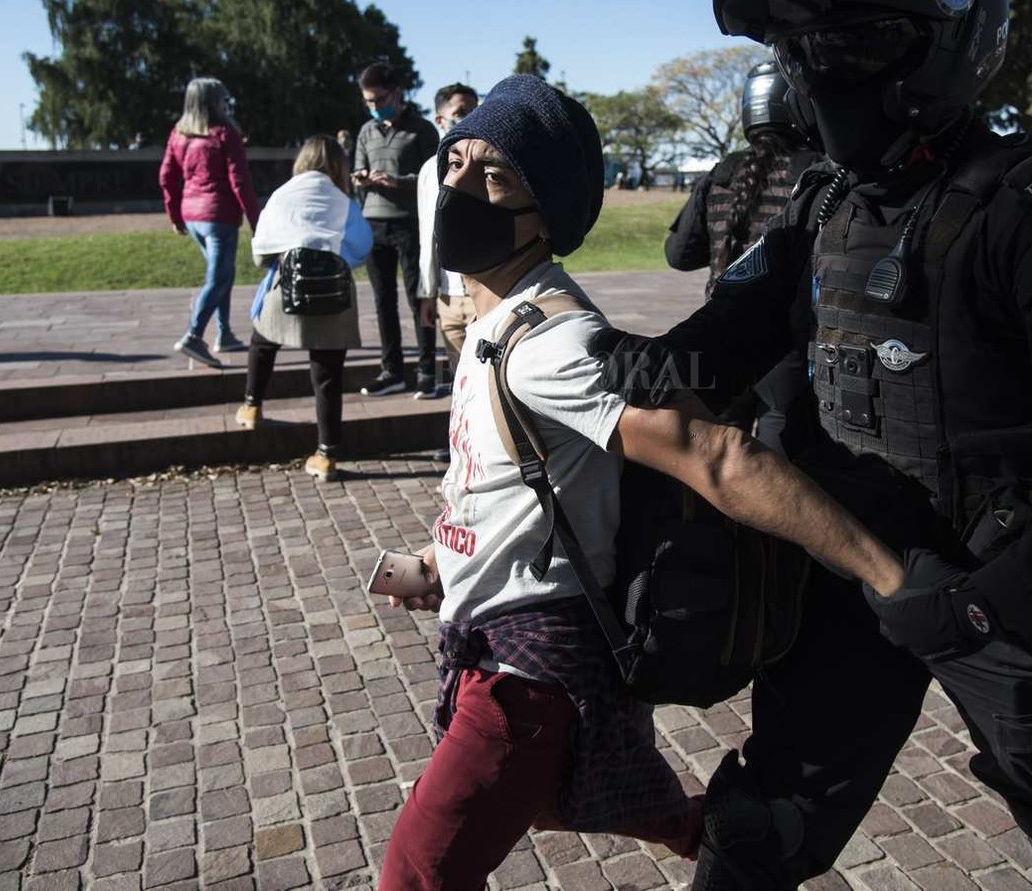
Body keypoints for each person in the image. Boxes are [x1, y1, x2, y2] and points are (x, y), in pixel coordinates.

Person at [598, 0, 1032, 890]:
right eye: (798, 50)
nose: (816, 72)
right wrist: (569, 348)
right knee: (761, 823)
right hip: (848, 569)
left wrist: (989, 605)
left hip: (1002, 587)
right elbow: (712, 342)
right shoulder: (823, 203)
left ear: (942, 41)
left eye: (848, 42)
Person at [377, 75, 904, 891]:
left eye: (495, 176)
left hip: (528, 674)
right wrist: (440, 558)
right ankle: (714, 832)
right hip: (489, 641)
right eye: (455, 164)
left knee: (416, 872)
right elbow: (502, 479)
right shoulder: (494, 319)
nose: (460, 188)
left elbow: (714, 455)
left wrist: (889, 576)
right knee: (561, 798)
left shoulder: (551, 343)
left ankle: (726, 834)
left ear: (545, 213)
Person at [664, 61, 824, 453]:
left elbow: (679, 255)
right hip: (786, 347)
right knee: (780, 463)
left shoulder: (722, 172)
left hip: (719, 337)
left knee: (718, 460)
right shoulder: (816, 171)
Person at [235, 135, 373, 481]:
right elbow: (362, 246)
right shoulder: (344, 201)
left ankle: (252, 405)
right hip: (333, 295)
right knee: (327, 375)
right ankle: (326, 454)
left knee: (262, 340)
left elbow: (261, 248)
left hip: (287, 285)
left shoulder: (283, 195)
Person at [352, 62, 441, 398]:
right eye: (368, 102)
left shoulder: (422, 130)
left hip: (409, 223)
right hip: (373, 223)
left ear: (396, 93)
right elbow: (357, 169)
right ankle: (391, 370)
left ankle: (427, 371)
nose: (374, 107)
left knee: (420, 298)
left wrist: (398, 182)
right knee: (382, 301)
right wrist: (361, 178)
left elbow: (435, 177)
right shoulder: (366, 131)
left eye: (379, 100)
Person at [159, 77, 261, 367]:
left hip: (192, 216)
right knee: (219, 277)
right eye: (223, 99)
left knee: (221, 274)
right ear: (214, 102)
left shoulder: (179, 134)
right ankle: (193, 336)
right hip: (218, 216)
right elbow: (240, 181)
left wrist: (175, 215)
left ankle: (224, 333)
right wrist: (256, 220)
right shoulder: (224, 134)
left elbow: (166, 176)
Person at [416, 83, 480, 400]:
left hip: (483, 292)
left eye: (475, 110)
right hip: (447, 296)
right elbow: (426, 233)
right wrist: (427, 293)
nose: (471, 117)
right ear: (440, 120)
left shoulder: (488, 162)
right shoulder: (429, 170)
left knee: (489, 385)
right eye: (461, 112)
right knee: (462, 386)